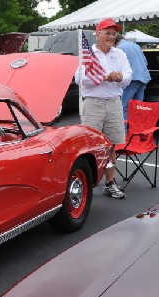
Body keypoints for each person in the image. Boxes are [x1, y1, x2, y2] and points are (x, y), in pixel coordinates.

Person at [75, 18, 132, 199]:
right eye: (107, 33)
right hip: (93, 103)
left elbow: (129, 76)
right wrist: (102, 78)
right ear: (97, 34)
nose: (111, 36)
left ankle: (109, 183)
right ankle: (88, 184)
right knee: (90, 146)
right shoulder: (87, 54)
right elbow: (79, 79)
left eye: (113, 33)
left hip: (114, 102)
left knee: (111, 145)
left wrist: (120, 77)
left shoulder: (120, 54)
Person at [116, 34, 151, 119]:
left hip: (132, 78)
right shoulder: (136, 46)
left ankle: (123, 131)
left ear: (115, 42)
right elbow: (145, 62)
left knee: (123, 107)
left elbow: (118, 66)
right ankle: (137, 129)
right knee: (138, 107)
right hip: (144, 77)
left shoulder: (119, 48)